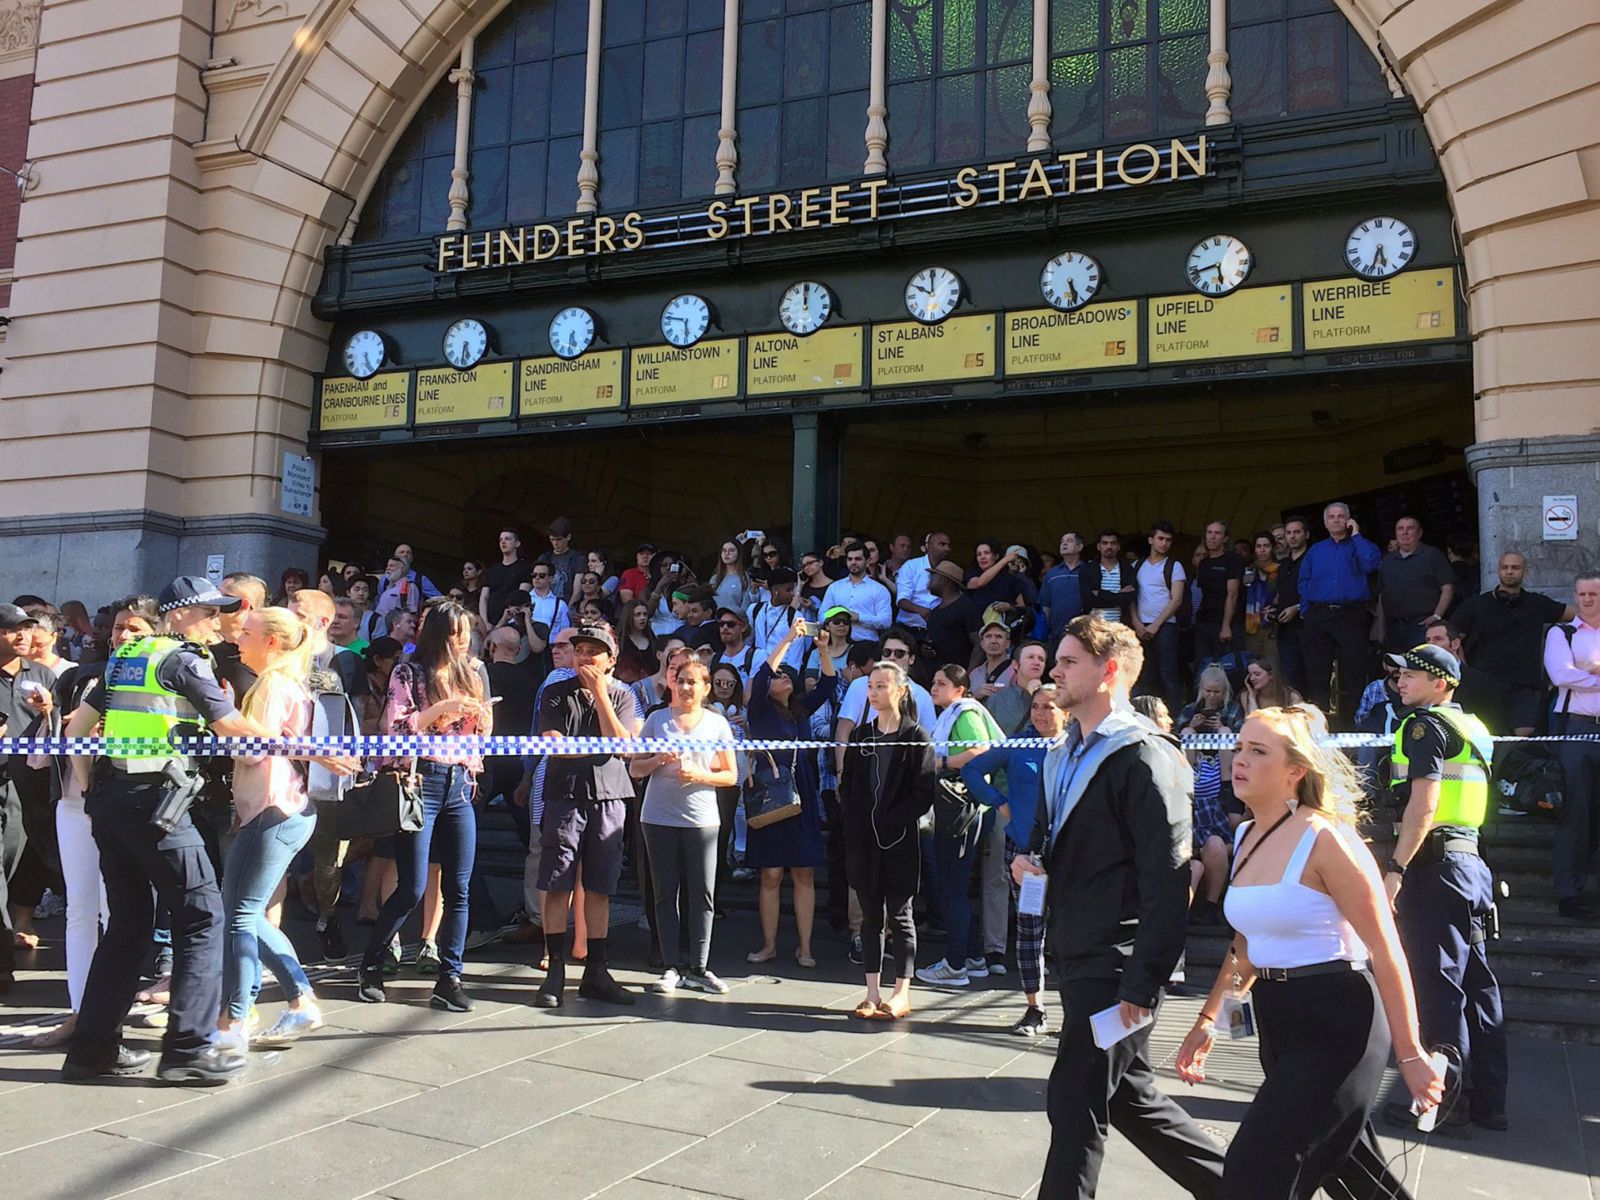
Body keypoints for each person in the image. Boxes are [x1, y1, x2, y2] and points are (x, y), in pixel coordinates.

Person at [1175, 706, 1443, 1197]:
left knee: (1257, 1171)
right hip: (1278, 1019)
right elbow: (1245, 946)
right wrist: (1208, 1019)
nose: (1240, 760)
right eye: (1239, 748)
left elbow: (1386, 949)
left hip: (1338, 1020)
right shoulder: (1245, 834)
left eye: (1258, 751)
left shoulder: (1328, 839)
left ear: (1296, 770)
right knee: (1352, 1172)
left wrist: (1411, 1055)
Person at [1012, 615, 1226, 1200]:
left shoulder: (1145, 754)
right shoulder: (1063, 751)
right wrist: (1032, 865)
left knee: (1074, 1103)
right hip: (1077, 948)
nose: (1054, 672)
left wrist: (1143, 983)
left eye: (1068, 662)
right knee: (1132, 1101)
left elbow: (1167, 880)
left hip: (1115, 962)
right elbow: (1058, 841)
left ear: (1108, 672)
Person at [60, 576, 261, 1084]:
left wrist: (91, 793)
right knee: (201, 917)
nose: (217, 620)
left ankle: (92, 1050)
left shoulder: (126, 658)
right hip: (158, 808)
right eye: (209, 612)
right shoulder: (183, 661)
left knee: (127, 924)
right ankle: (189, 1051)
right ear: (180, 615)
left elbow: (74, 730)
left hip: (111, 805)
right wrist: (308, 747)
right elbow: (230, 727)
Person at [1381, 643, 1509, 1133]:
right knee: (1478, 983)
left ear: (1441, 683)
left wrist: (1395, 867)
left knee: (1439, 985)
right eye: (1399, 673)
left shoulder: (1424, 725)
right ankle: (1489, 1101)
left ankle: (1443, 1101)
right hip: (1470, 863)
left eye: (1412, 674)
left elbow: (1424, 805)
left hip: (1434, 865)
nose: (1401, 680)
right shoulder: (1471, 727)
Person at [28, 598, 160, 1046]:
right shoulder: (77, 675)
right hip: (73, 804)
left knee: (116, 911)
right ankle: (80, 1012)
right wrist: (52, 717)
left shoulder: (160, 680)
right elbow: (42, 755)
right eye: (120, 627)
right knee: (80, 911)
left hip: (120, 805)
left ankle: (107, 1017)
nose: (123, 635)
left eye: (135, 630)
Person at [217, 607, 348, 1050]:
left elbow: (255, 749)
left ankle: (240, 1017)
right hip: (282, 810)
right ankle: (290, 1001)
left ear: (271, 642)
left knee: (239, 915)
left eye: (248, 632)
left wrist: (222, 721)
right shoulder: (286, 683)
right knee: (245, 914)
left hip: (272, 809)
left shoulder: (271, 685)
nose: (238, 638)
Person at [357, 598, 490, 1014]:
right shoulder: (409, 672)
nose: (463, 642)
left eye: (467, 635)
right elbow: (395, 727)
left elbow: (482, 736)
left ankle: (450, 977)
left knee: (459, 887)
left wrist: (482, 719)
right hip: (420, 781)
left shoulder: (472, 674)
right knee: (412, 887)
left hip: (459, 783)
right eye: (455, 634)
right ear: (438, 635)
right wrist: (443, 709)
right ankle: (372, 965)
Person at [534, 623, 639, 1008]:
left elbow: (623, 745)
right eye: (579, 650)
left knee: (600, 885)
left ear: (610, 660)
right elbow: (555, 747)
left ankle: (597, 969)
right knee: (558, 881)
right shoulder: (555, 693)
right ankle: (555, 969)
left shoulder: (622, 696)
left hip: (610, 796)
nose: (584, 658)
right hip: (565, 795)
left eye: (593, 651)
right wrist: (601, 746)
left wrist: (601, 697)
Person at [963, 685, 1068, 1034]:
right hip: (1024, 852)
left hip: (1068, 852)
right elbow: (973, 771)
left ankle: (1076, 1009)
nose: (1039, 714)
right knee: (1029, 932)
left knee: (1071, 931)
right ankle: (1034, 1008)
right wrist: (999, 802)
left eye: (1048, 708)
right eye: (1035, 706)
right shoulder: (1020, 743)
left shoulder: (1077, 746)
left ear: (1065, 711)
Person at [631, 658, 737, 994]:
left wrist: (701, 775)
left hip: (702, 819)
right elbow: (635, 768)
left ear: (706, 687)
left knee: (702, 892)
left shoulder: (717, 724)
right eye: (681, 680)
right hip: (658, 817)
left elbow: (730, 775)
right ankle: (671, 965)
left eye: (693, 681)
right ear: (671, 684)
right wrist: (658, 759)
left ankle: (700, 966)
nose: (686, 687)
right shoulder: (656, 719)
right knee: (665, 893)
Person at [839, 659, 936, 1020]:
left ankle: (901, 992)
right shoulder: (862, 735)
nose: (875, 692)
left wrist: (893, 820)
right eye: (871, 686)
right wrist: (855, 817)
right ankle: (872, 991)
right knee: (869, 917)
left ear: (900, 690)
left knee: (901, 915)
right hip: (863, 840)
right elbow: (847, 783)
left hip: (899, 840)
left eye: (882, 685)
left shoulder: (916, 736)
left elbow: (924, 790)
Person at [745, 619, 840, 967]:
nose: (782, 676)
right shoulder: (759, 710)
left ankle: (806, 947)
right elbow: (760, 675)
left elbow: (829, 683)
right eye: (777, 675)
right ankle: (768, 945)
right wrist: (789, 636)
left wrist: (824, 648)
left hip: (802, 794)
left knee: (804, 872)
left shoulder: (800, 710)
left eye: (787, 674)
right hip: (772, 794)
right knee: (770, 874)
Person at [916, 664, 1004, 988]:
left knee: (952, 887)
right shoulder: (951, 714)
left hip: (963, 810)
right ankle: (973, 957)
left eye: (941, 683)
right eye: (934, 681)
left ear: (960, 689)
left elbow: (980, 749)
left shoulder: (964, 711)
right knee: (957, 886)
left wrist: (940, 763)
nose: (934, 687)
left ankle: (955, 966)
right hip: (963, 808)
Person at [1454, 552, 1573, 735]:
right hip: (1486, 682)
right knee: (1489, 735)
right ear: (1498, 571)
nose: (1509, 572)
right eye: (1505, 567)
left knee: (1524, 736)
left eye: (1515, 568)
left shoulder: (1537, 604)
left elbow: (1578, 612)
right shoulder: (1476, 605)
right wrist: (1466, 670)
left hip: (1525, 684)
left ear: (1525, 572)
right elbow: (1453, 639)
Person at [1544, 574, 1600, 920]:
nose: (1587, 599)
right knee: (1575, 813)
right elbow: (1560, 675)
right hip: (1577, 731)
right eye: (1581, 593)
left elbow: (1573, 674)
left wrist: (1588, 673)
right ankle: (1570, 893)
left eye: (1593, 593)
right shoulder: (1560, 633)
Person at [1298, 502, 1381, 723]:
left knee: (1354, 672)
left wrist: (1357, 535)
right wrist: (1307, 610)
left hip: (1351, 615)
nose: (1336, 520)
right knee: (1317, 673)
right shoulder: (1316, 550)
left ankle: (1355, 726)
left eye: (1341, 516)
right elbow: (1304, 580)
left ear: (1349, 520)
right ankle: (1319, 725)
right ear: (1325, 523)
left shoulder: (1360, 545)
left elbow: (1371, 564)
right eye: (1332, 517)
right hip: (1319, 615)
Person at [1378, 516, 1456, 653]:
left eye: (1410, 528)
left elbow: (1448, 588)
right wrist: (1381, 628)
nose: (1405, 532)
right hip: (1394, 628)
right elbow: (1382, 595)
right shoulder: (1387, 561)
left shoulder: (1432, 555)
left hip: (1423, 626)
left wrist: (1437, 616)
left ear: (1419, 533)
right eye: (1400, 529)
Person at [1132, 520, 1186, 713]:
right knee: (1143, 674)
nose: (1164, 543)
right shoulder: (1137, 565)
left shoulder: (1175, 565)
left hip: (1166, 626)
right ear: (1151, 540)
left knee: (1168, 673)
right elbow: (1131, 597)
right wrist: (1136, 622)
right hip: (1141, 625)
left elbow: (1176, 599)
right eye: (1160, 538)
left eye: (1168, 540)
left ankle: (1174, 719)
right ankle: (1143, 716)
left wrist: (1155, 625)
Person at [1192, 520, 1245, 668]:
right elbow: (1203, 594)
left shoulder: (1233, 559)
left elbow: (1232, 594)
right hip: (1204, 623)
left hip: (1226, 623)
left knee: (1227, 668)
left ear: (1225, 538)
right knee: (1202, 667)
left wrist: (1226, 625)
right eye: (1209, 533)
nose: (1212, 537)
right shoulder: (1204, 563)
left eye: (1217, 533)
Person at [821, 541, 894, 643]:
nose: (853, 562)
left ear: (867, 561)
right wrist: (836, 619)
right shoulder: (834, 587)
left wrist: (859, 617)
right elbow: (822, 616)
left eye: (858, 559)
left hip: (867, 644)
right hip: (837, 644)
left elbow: (886, 622)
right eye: (850, 559)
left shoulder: (879, 589)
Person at [1268, 516, 1310, 695]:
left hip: (1310, 627)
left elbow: (1317, 592)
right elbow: (1282, 596)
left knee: (1311, 676)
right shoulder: (1283, 565)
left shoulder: (1312, 559)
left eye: (1297, 532)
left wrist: (1298, 608)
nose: (1292, 537)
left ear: (1306, 534)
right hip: (1285, 630)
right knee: (1289, 678)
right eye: (1289, 533)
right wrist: (1273, 609)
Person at [895, 531, 951, 632]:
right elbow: (902, 601)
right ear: (928, 547)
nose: (947, 549)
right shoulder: (911, 566)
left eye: (948, 545)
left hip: (937, 630)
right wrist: (920, 610)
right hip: (907, 629)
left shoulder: (950, 571)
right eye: (942, 544)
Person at [1080, 529, 1137, 625]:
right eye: (1105, 543)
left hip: (1120, 627)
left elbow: (1129, 599)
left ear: (1118, 546)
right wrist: (1119, 596)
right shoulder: (1087, 570)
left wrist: (1100, 594)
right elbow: (1087, 600)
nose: (1109, 547)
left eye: (1113, 543)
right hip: (1093, 627)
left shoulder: (1127, 569)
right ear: (1099, 546)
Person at [1241, 531, 1278, 665]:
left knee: (1272, 665)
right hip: (1251, 624)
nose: (1262, 550)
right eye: (1259, 546)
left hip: (1273, 624)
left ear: (1273, 548)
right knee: (1253, 665)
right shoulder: (1248, 571)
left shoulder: (1280, 570)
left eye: (1266, 546)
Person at [480, 527, 530, 627]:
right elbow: (484, 598)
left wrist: (504, 622)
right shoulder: (492, 569)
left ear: (517, 544)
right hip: (488, 622)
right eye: (501, 540)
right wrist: (485, 622)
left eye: (507, 539)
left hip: (511, 622)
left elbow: (521, 598)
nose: (503, 542)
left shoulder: (525, 568)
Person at [538, 516, 585, 600]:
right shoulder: (544, 558)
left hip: (568, 604)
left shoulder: (578, 558)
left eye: (559, 539)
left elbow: (577, 591)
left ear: (568, 537)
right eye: (552, 539)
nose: (555, 543)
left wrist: (568, 609)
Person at [709, 539, 756, 614]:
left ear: (738, 553)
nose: (727, 553)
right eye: (724, 550)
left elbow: (745, 606)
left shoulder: (744, 578)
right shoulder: (714, 579)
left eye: (731, 550)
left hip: (735, 622)